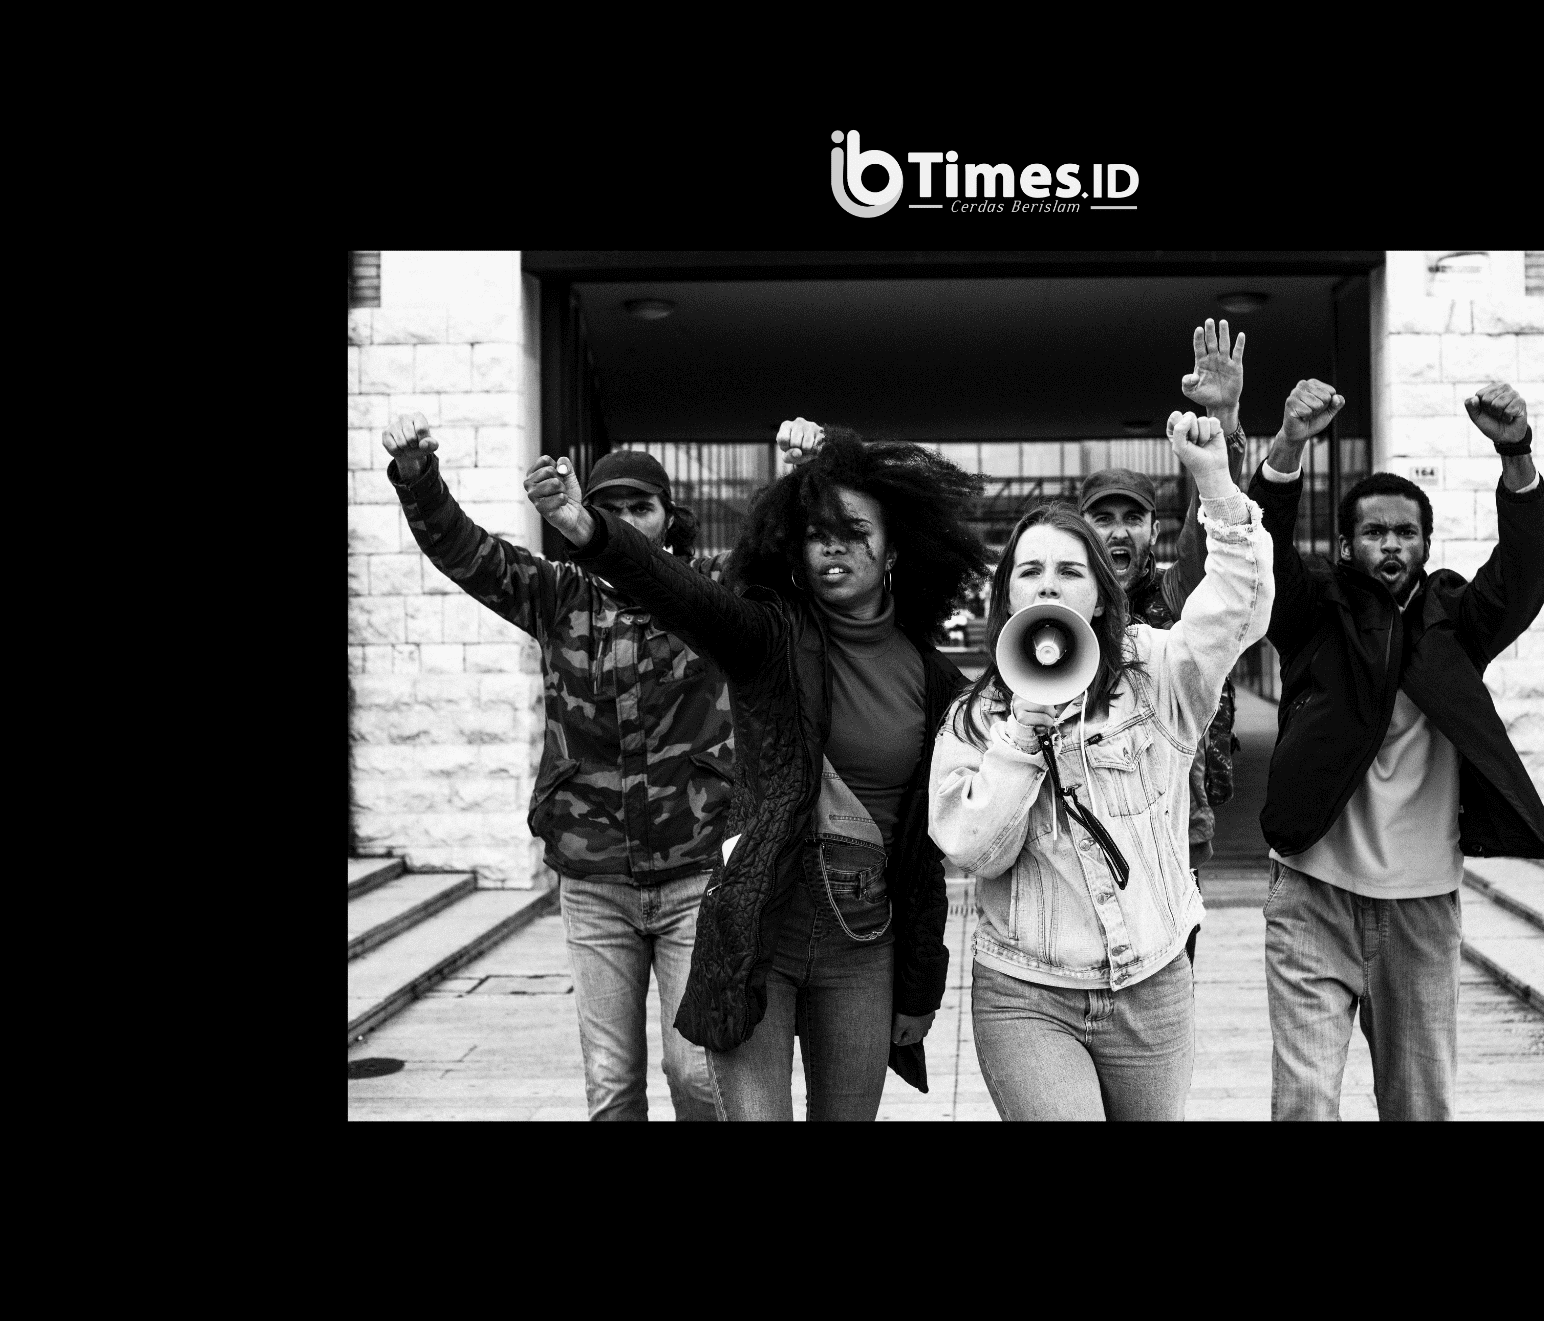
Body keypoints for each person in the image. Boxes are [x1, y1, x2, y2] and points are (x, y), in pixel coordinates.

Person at [527, 420, 986, 1121]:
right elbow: (675, 587)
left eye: (855, 532)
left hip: (865, 947)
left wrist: (921, 987)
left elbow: (923, 856)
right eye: (817, 532)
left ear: (894, 550)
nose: (834, 545)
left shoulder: (933, 680)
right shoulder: (767, 637)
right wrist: (586, 529)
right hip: (758, 938)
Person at [929, 411, 1272, 1121]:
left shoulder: (1157, 671)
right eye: (1029, 571)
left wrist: (1214, 479)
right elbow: (973, 849)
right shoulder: (975, 717)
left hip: (1153, 982)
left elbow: (1240, 607)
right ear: (1007, 594)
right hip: (1026, 992)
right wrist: (1021, 734)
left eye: (1069, 570)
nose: (1049, 585)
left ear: (1098, 591)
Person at [1249, 378, 1544, 1122]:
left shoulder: (1456, 621)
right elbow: (1261, 555)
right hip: (1312, 895)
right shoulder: (1313, 615)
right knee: (1303, 1103)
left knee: (1419, 1106)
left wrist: (1516, 453)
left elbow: (1526, 574)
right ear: (1346, 545)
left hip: (1421, 909)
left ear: (1426, 546)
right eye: (1374, 533)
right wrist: (1289, 444)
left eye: (1405, 533)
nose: (1391, 544)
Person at [382, 418, 728, 1122]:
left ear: (670, 517)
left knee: (696, 1073)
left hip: (696, 872)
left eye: (641, 507)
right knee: (611, 1084)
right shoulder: (557, 593)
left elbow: (785, 561)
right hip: (594, 878)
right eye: (610, 508)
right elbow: (464, 551)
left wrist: (811, 473)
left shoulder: (709, 594)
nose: (626, 521)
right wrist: (418, 476)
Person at [1077, 317, 1250, 965]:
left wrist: (1223, 422)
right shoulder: (1055, 616)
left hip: (1173, 830)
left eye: (1133, 517)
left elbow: (1214, 531)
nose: (1118, 532)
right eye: (1103, 517)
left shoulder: (1177, 597)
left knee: (1169, 987)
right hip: (1080, 832)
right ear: (1081, 527)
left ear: (1153, 530)